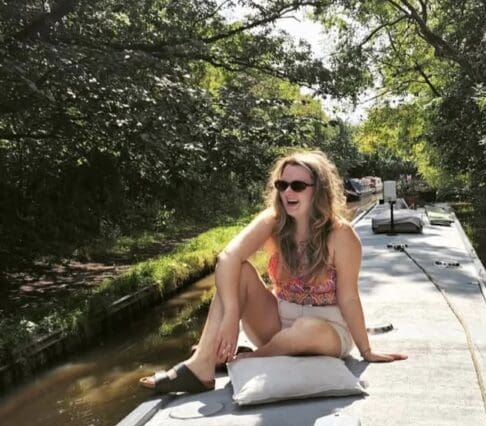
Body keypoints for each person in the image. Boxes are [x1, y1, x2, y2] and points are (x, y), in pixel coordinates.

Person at [140, 150, 407, 394]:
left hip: (327, 331)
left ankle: (248, 359)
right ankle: (202, 366)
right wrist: (232, 315)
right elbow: (228, 257)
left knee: (306, 328)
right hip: (278, 322)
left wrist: (366, 350)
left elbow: (348, 297)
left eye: (298, 185)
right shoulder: (272, 222)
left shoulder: (341, 235)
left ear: (319, 190)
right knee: (238, 271)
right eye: (282, 185)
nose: (288, 192)